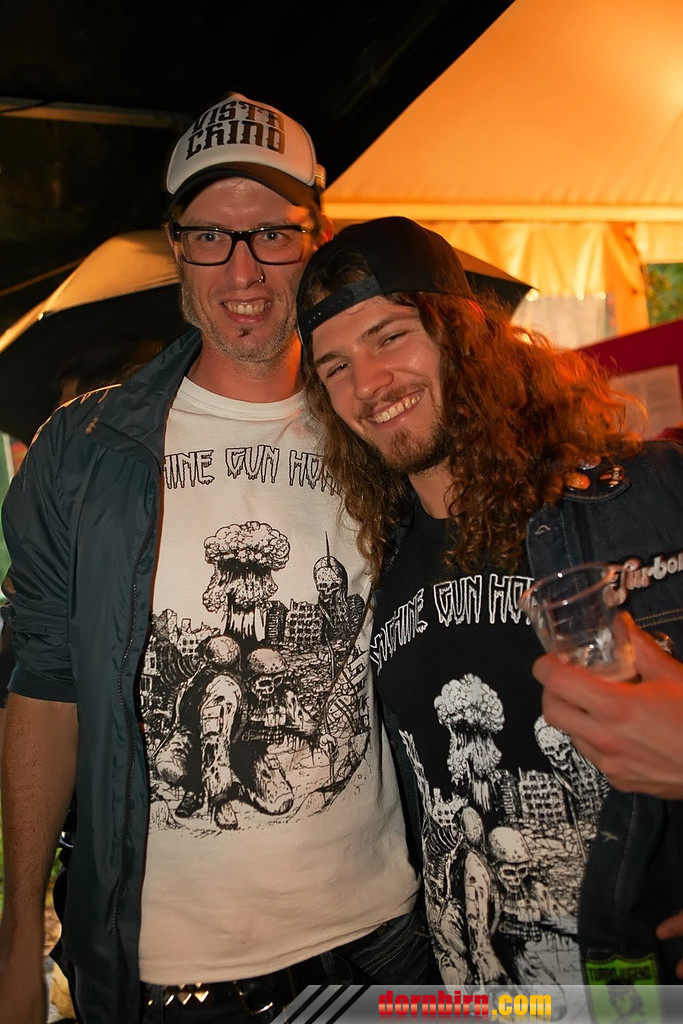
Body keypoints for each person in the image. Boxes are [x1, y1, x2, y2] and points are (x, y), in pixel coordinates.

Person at [0, 99, 435, 1024]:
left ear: (316, 239)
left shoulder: (378, 423)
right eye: (210, 237)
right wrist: (18, 938)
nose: (243, 271)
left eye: (272, 233)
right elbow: (45, 686)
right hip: (173, 975)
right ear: (176, 248)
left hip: (385, 944)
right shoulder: (82, 454)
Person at [296, 216, 683, 987]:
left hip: (638, 991)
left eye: (389, 337)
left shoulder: (649, 498)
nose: (367, 385)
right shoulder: (369, 566)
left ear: (465, 336)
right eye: (335, 367)